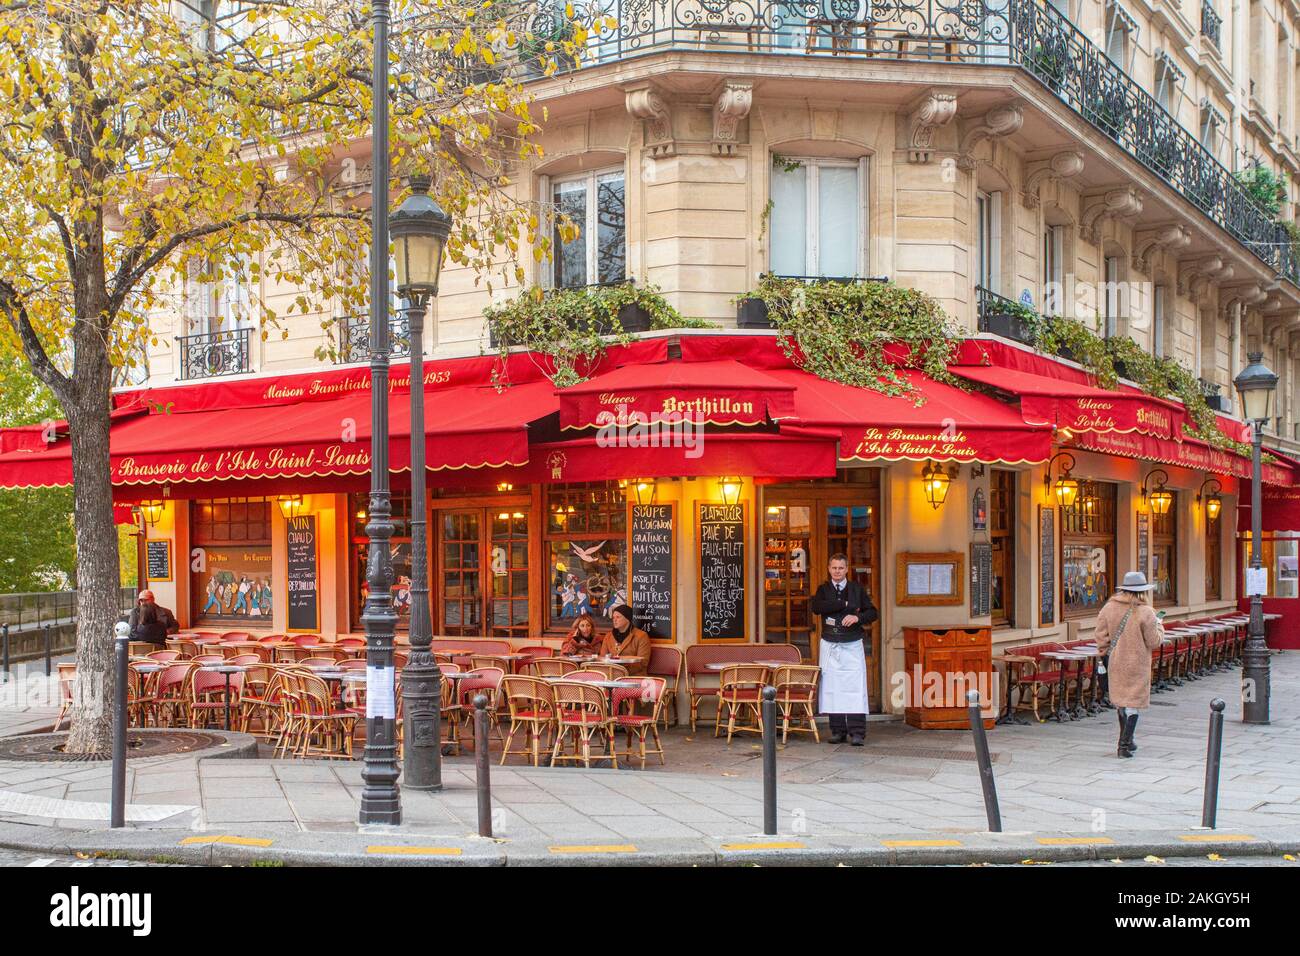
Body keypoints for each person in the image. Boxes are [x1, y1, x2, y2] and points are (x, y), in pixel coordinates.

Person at [1094, 571, 1166, 758]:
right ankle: (1124, 744)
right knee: (1133, 703)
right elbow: (1154, 641)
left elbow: (1100, 636)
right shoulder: (1146, 612)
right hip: (1137, 663)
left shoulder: (1109, 608)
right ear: (1143, 592)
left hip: (1115, 662)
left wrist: (1105, 653)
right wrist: (1159, 625)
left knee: (1121, 702)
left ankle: (1129, 740)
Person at [810, 553, 878, 746]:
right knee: (832, 688)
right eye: (834, 568)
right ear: (828, 569)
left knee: (855, 688)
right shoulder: (823, 589)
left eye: (841, 568)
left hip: (852, 643)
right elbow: (816, 607)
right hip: (830, 643)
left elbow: (873, 612)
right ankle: (837, 730)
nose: (837, 571)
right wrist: (845, 605)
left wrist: (857, 618)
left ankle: (857, 732)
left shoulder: (857, 589)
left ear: (847, 569)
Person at [598, 604, 650, 675]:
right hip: (611, 675)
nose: (615, 620)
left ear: (627, 619)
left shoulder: (641, 636)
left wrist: (621, 672)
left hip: (634, 677)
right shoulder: (608, 636)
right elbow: (603, 658)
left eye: (618, 617)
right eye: (613, 618)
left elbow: (643, 662)